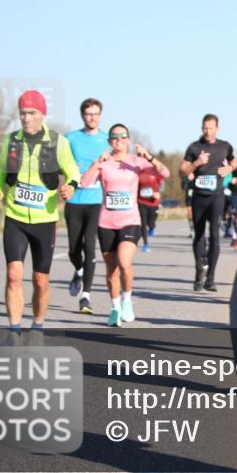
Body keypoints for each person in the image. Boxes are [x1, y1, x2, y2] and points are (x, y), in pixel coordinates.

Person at [0, 90, 80, 341]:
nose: (26, 118)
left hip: (44, 219)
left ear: (42, 114)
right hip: (15, 216)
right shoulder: (11, 140)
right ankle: (14, 330)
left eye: (32, 113)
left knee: (40, 280)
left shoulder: (57, 142)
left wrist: (70, 185)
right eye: (22, 113)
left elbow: (72, 170)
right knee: (13, 274)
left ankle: (37, 325)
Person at [82, 124, 169, 325]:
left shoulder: (137, 162)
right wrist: (96, 163)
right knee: (111, 271)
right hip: (106, 222)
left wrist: (148, 157)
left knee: (124, 262)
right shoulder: (104, 162)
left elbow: (164, 173)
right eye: (114, 137)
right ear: (109, 141)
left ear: (128, 140)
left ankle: (127, 300)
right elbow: (85, 183)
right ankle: (115, 308)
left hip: (130, 221)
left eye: (122, 136)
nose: (118, 140)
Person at [180, 114, 236, 291]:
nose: (207, 131)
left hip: (216, 196)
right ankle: (199, 272)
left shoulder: (224, 146)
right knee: (198, 234)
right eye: (205, 127)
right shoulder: (194, 147)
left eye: (211, 128)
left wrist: (229, 168)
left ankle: (210, 278)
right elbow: (182, 170)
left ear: (217, 129)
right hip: (198, 197)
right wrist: (196, 162)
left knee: (214, 235)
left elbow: (234, 161)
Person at [64, 98, 109, 314]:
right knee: (74, 249)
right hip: (74, 200)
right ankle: (78, 269)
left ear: (100, 115)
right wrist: (69, 170)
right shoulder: (70, 138)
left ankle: (86, 297)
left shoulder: (108, 140)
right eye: (88, 114)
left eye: (96, 114)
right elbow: (58, 163)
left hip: (96, 202)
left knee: (90, 246)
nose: (92, 117)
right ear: (82, 115)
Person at [136, 153, 166, 252]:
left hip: (153, 202)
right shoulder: (138, 172)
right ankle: (146, 244)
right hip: (141, 201)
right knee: (143, 223)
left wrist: (158, 192)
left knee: (151, 222)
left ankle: (152, 227)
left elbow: (162, 182)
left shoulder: (155, 171)